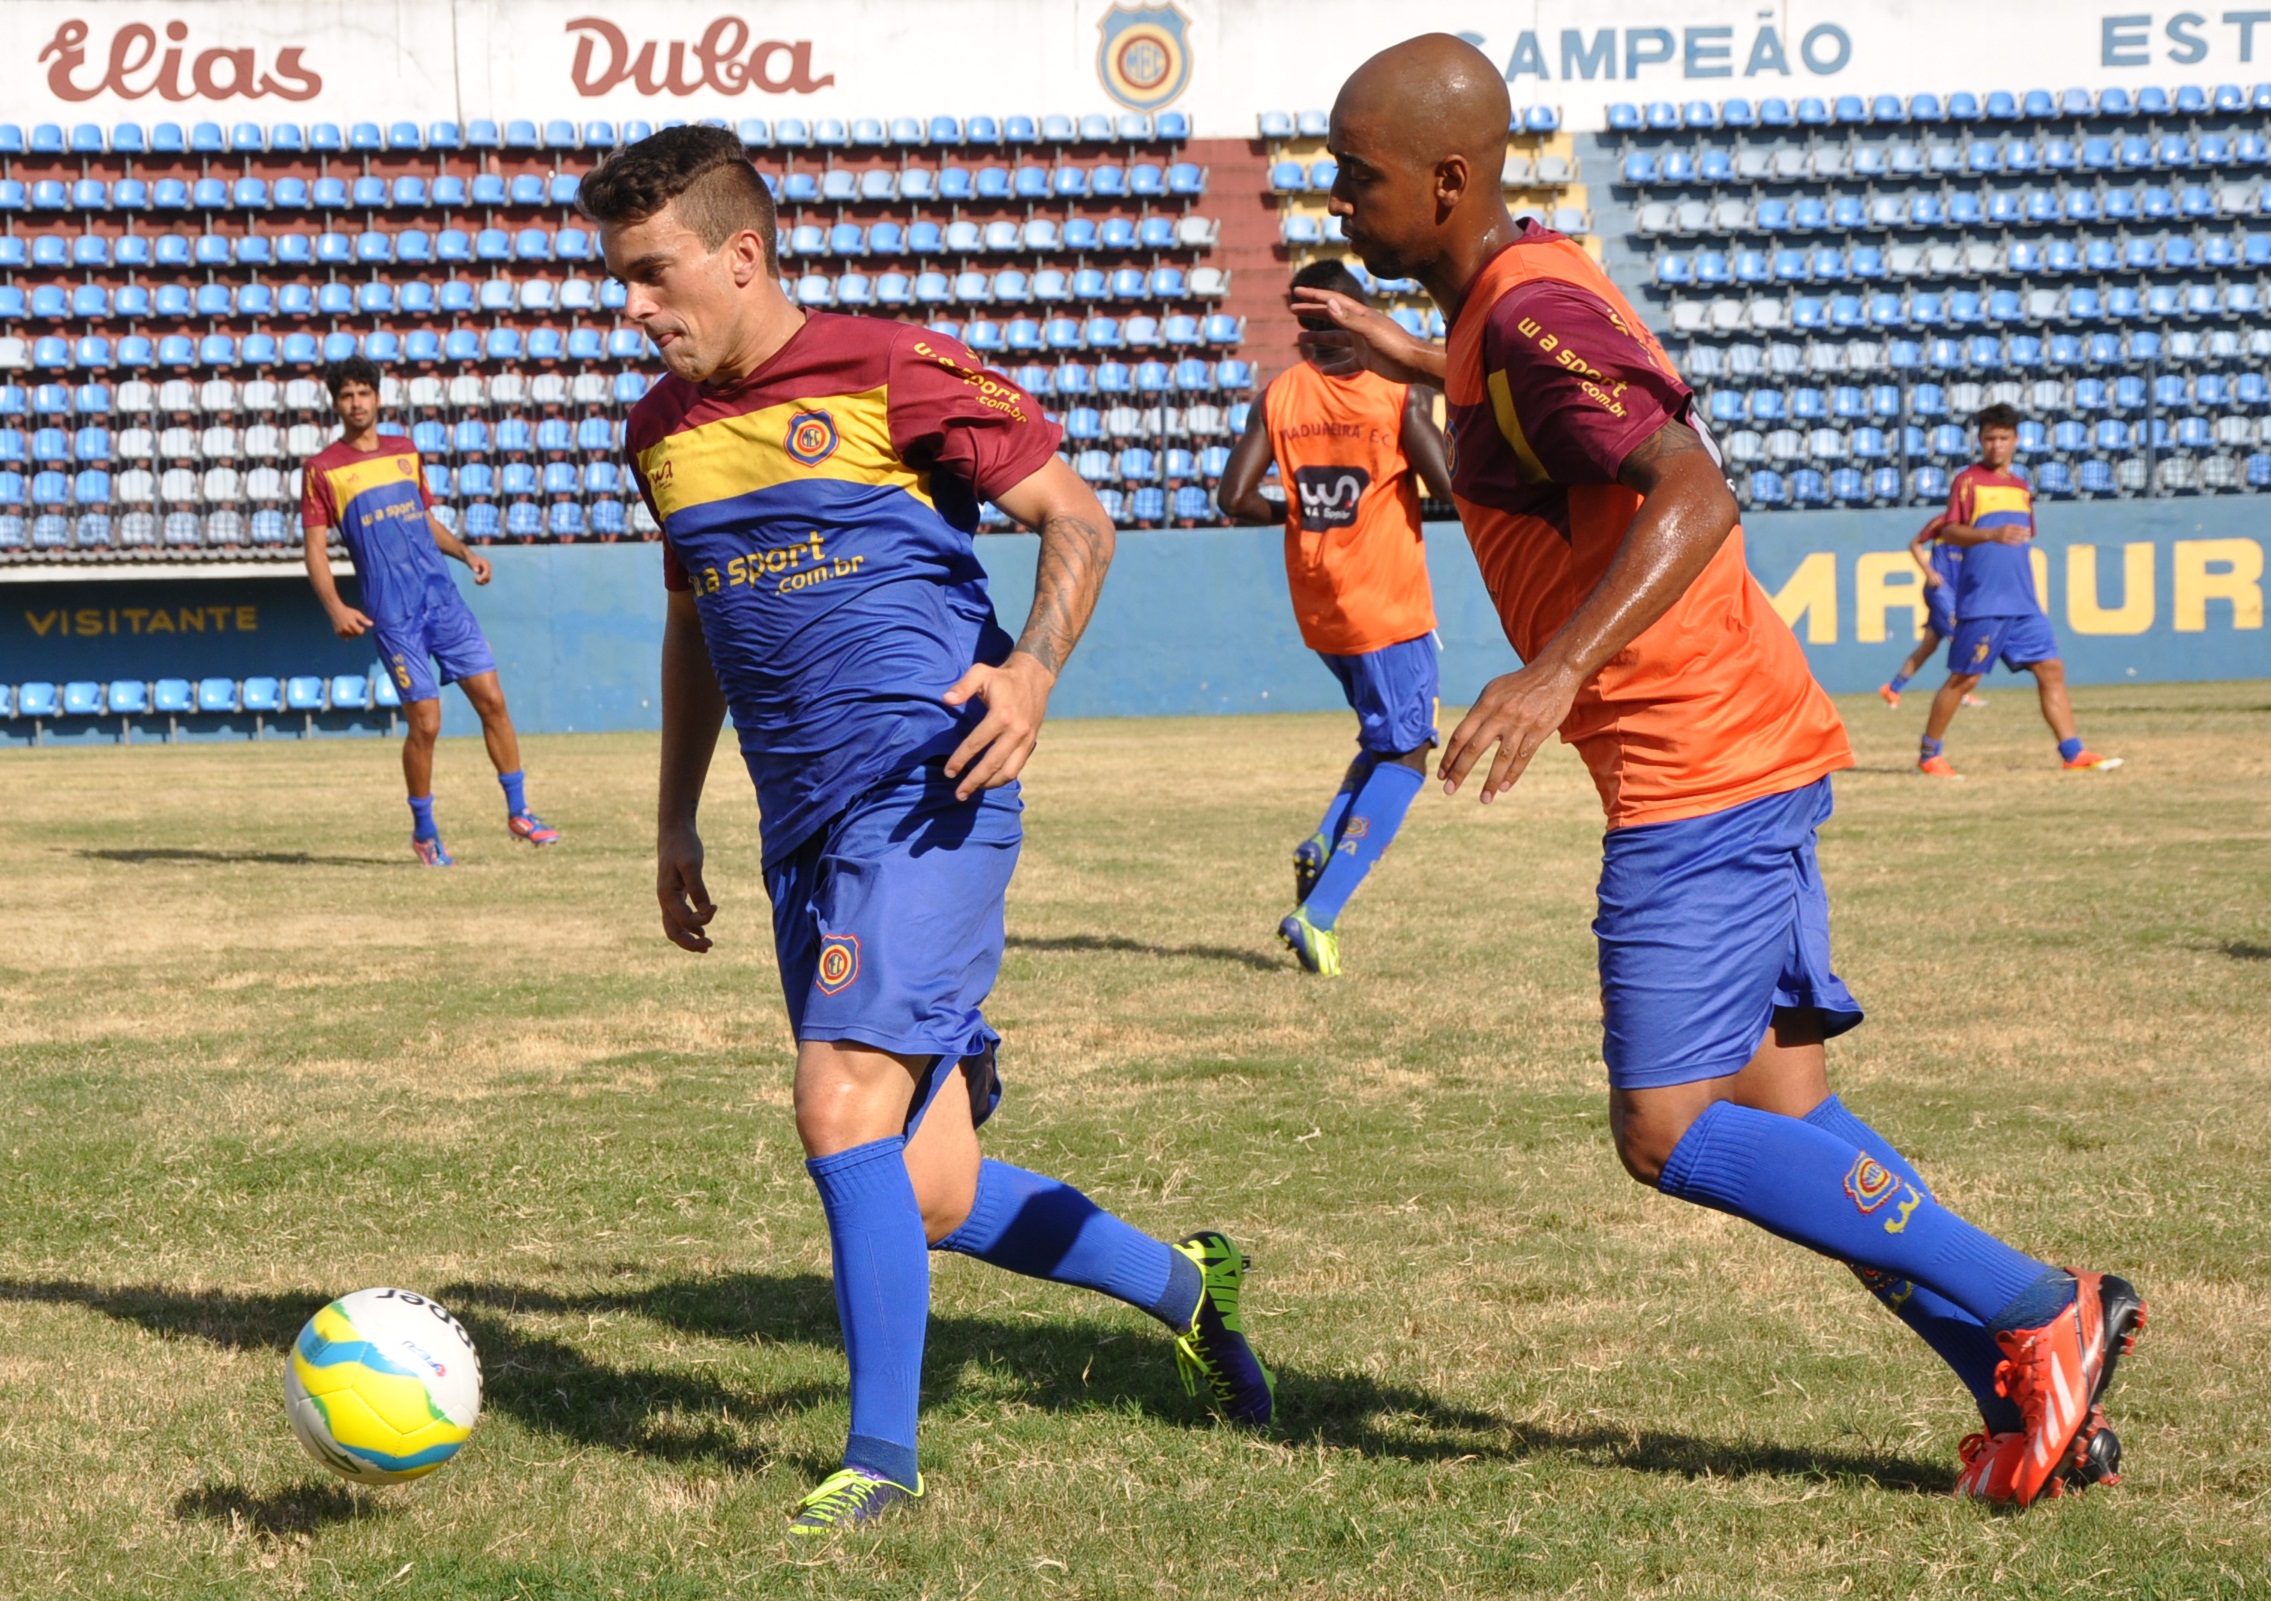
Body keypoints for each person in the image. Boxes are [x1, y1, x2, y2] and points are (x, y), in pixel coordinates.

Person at [1291, 35, 2142, 1510]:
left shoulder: (1532, 306)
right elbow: (1548, 412)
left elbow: (1687, 483)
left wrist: (1554, 667)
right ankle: (2027, 1390)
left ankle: (2033, 1300)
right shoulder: (1503, 306)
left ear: (1446, 178)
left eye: (1355, 174)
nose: (1333, 195)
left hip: (1698, 764)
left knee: (1668, 1131)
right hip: (1742, 740)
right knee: (1784, 1123)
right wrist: (1403, 355)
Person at [582, 126, 1274, 1535]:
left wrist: (1028, 671)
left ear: (741, 255)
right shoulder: (657, 434)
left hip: (930, 792)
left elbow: (1075, 520)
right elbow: (692, 626)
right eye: (621, 284)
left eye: (654, 276)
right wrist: (672, 817)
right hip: (800, 833)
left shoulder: (892, 366)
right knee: (933, 1187)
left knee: (836, 1103)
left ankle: (877, 1463)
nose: (637, 309)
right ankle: (1189, 1288)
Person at [1216, 258, 1456, 976]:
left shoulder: (1281, 394)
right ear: (1358, 317)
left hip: (1320, 607)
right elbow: (1448, 487)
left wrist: (1301, 512)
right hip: (1384, 602)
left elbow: (1233, 497)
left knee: (1382, 739)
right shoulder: (1395, 395)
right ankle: (1318, 913)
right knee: (1409, 753)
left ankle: (1323, 841)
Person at [300, 357, 558, 865]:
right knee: (427, 724)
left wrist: (466, 553)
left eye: (363, 393)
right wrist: (335, 607)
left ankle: (520, 811)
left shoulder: (404, 450)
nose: (356, 403)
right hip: (392, 613)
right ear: (336, 404)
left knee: (492, 699)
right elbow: (314, 549)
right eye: (347, 395)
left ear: (377, 397)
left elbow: (423, 519)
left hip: (442, 600)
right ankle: (423, 832)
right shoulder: (322, 469)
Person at [1916, 406, 2121, 777]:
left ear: (2017, 441)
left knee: (2051, 668)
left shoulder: (2020, 487)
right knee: (1965, 678)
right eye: (1990, 438)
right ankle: (1929, 755)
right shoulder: (1968, 481)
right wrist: (1990, 534)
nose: (1997, 445)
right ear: (1980, 441)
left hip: (2023, 601)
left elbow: (2022, 544)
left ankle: (2073, 752)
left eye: (2004, 438)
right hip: (1984, 600)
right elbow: (1950, 531)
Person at [1876, 513, 1984, 712]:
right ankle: (1961, 691)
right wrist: (1929, 572)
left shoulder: (1977, 525)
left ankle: (1892, 688)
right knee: (1962, 638)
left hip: (1957, 593)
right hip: (1939, 591)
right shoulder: (1943, 521)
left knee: (1928, 646)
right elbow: (1915, 543)